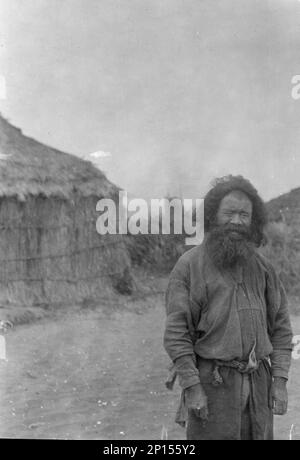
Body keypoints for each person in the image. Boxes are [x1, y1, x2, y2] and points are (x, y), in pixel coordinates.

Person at [163, 175, 293, 440]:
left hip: (259, 387)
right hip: (213, 387)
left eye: (244, 214)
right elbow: (177, 335)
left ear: (253, 221)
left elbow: (281, 329)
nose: (236, 221)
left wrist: (279, 382)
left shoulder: (264, 269)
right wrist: (192, 387)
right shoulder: (189, 266)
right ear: (213, 215)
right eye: (229, 213)